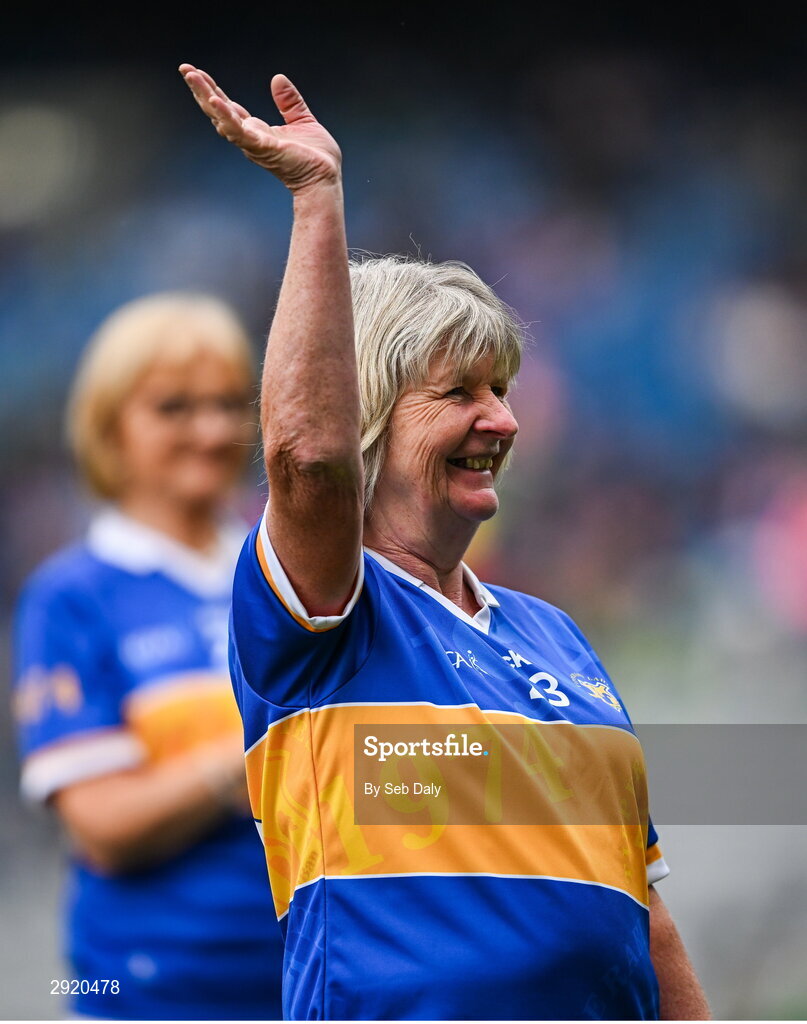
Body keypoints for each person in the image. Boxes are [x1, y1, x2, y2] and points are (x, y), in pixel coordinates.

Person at [180, 65, 712, 1021]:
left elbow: (643, 916)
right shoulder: (324, 620)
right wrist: (315, 202)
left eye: (502, 390)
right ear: (374, 412)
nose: (502, 421)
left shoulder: (560, 640)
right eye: (460, 393)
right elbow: (305, 458)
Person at [12, 293, 284, 1020]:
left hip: (312, 980)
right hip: (155, 989)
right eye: (173, 408)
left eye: (230, 403)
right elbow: (101, 826)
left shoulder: (284, 576)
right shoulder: (72, 597)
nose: (212, 428)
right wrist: (248, 759)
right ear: (108, 428)